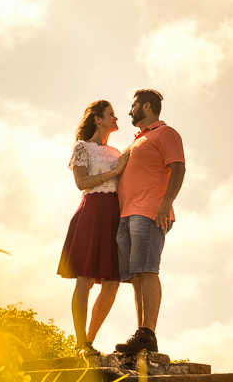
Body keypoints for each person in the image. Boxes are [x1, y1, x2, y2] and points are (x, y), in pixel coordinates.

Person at [114, 89, 185, 355]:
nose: (129, 111)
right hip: (127, 214)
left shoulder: (165, 133)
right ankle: (142, 334)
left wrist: (166, 202)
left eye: (133, 106)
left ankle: (148, 333)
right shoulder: (138, 140)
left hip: (149, 211)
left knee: (147, 270)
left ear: (146, 106)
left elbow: (178, 166)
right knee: (136, 276)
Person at [58, 99, 130, 356]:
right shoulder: (82, 147)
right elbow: (81, 182)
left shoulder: (118, 152)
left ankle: (89, 340)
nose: (116, 118)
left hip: (114, 214)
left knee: (112, 283)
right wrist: (115, 172)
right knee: (85, 279)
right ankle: (81, 343)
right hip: (92, 211)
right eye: (111, 114)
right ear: (98, 119)